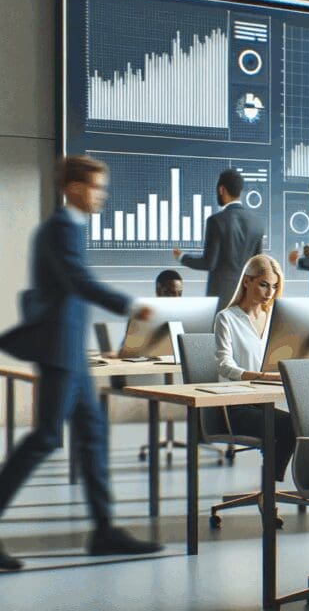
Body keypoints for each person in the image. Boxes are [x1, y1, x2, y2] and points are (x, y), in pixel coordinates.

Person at [0, 155, 161, 570]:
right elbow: (77, 281)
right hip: (59, 351)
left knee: (91, 432)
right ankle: (104, 530)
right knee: (46, 438)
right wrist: (129, 305)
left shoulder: (69, 228)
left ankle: (104, 531)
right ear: (73, 187)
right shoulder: (59, 230)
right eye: (96, 187)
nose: (101, 196)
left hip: (69, 350)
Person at [211, 255, 297, 482]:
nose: (269, 292)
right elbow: (224, 365)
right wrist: (260, 376)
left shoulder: (274, 319)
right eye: (263, 284)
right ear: (247, 281)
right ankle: (268, 490)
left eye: (274, 286)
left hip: (265, 401)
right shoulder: (227, 318)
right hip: (234, 406)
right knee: (290, 426)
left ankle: (268, 491)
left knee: (300, 421)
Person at [174, 168, 264, 310]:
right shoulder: (257, 223)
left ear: (221, 189)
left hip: (221, 300)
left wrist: (182, 257)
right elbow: (259, 266)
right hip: (247, 299)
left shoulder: (216, 221)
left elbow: (208, 263)